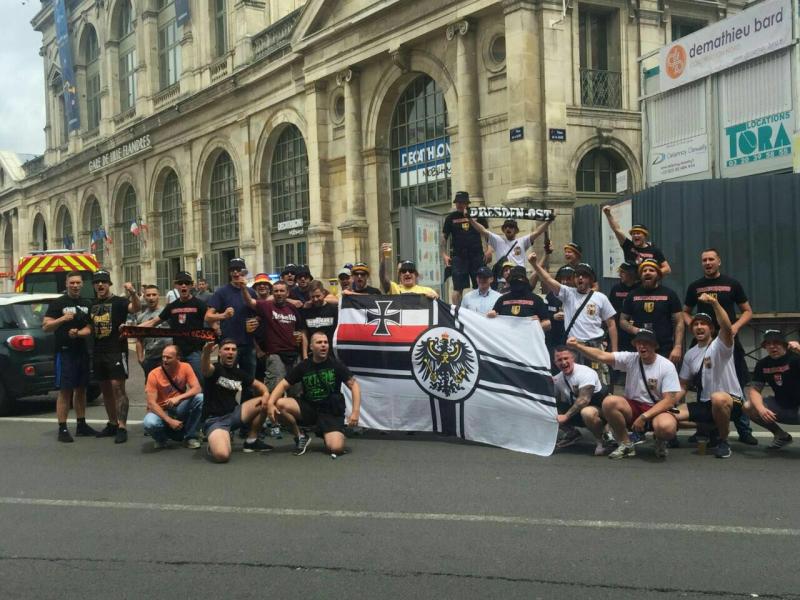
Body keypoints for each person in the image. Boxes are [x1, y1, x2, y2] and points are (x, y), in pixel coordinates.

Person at [568, 329, 681, 460]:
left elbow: (669, 401)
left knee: (666, 428)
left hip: (656, 409)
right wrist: (578, 346)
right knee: (609, 401)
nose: (642, 346)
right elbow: (601, 356)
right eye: (639, 343)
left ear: (655, 346)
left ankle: (660, 441)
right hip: (633, 406)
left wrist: (644, 417)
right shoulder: (630, 358)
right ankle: (625, 444)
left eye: (646, 343)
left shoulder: (667, 366)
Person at [683, 248, 756, 445]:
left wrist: (735, 327)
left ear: (719, 261)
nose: (707, 263)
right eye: (704, 260)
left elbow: (747, 311)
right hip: (704, 340)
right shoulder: (695, 286)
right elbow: (685, 312)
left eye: (711, 259)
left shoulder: (732, 284)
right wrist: (693, 325)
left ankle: (744, 430)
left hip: (727, 340)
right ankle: (704, 429)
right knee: (702, 383)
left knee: (736, 381)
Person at [267, 331, 362, 457]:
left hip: (330, 412)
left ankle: (327, 431)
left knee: (336, 448)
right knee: (279, 404)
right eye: (319, 342)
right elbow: (284, 384)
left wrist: (355, 412)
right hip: (309, 408)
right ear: (311, 347)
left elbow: (354, 385)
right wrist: (270, 403)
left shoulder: (335, 364)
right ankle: (301, 436)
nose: (323, 345)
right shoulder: (304, 366)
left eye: (325, 342)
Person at [531, 255, 617, 385]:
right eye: (577, 276)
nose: (580, 278)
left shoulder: (601, 298)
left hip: (595, 346)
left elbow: (611, 325)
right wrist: (535, 265)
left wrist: (614, 352)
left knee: (600, 382)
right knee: (574, 381)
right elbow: (548, 279)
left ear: (591, 279)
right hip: (574, 347)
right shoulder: (567, 293)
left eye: (584, 275)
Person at [675, 295, 743, 459]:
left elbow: (726, 327)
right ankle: (708, 426)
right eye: (696, 324)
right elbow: (683, 385)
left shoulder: (721, 345)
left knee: (718, 398)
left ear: (711, 329)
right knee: (669, 416)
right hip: (705, 403)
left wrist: (714, 303)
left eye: (703, 324)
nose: (699, 327)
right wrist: (667, 404)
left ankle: (723, 441)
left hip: (731, 401)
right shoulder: (690, 354)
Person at [42, 271, 96, 442]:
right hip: (65, 352)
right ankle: (62, 428)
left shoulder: (87, 303)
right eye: (72, 283)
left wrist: (78, 333)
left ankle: (81, 425)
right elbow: (46, 326)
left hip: (82, 352)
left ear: (82, 284)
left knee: (81, 389)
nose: (75, 285)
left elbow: (89, 328)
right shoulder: (59, 303)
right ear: (66, 284)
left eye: (78, 283)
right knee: (65, 391)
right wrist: (62, 319)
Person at [90, 269, 140, 444]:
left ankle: (122, 426)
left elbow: (136, 308)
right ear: (94, 286)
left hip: (116, 350)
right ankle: (112, 423)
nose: (100, 285)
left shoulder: (119, 302)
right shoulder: (92, 304)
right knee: (105, 389)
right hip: (98, 351)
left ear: (109, 284)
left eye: (103, 282)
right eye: (97, 282)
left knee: (117, 387)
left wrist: (132, 293)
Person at [201, 340, 273, 461]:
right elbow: (205, 368)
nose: (230, 352)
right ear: (220, 353)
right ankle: (216, 442)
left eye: (233, 350)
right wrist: (206, 352)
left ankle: (251, 441)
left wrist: (266, 395)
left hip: (234, 414)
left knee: (264, 401)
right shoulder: (215, 369)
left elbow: (261, 387)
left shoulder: (238, 373)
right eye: (227, 349)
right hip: (215, 421)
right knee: (222, 456)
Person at [240, 279, 307, 393]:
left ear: (287, 293)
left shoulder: (293, 308)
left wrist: (304, 355)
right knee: (275, 392)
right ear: (272, 293)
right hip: (275, 355)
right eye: (276, 291)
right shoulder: (267, 306)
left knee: (297, 392)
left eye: (282, 291)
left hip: (295, 355)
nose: (279, 293)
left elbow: (301, 330)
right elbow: (250, 302)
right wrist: (243, 288)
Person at [205, 258, 258, 399]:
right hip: (229, 345)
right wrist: (223, 315)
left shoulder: (251, 292)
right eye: (233, 270)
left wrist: (256, 322)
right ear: (229, 273)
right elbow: (208, 316)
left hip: (248, 344)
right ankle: (226, 412)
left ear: (244, 272)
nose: (236, 272)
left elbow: (259, 314)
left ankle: (246, 416)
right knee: (226, 382)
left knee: (249, 384)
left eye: (239, 269)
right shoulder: (221, 292)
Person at [141, 271, 207, 381]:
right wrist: (132, 328)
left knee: (201, 382)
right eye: (180, 283)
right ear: (176, 285)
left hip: (194, 352)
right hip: (177, 354)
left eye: (186, 283)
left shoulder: (199, 304)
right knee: (177, 385)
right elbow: (154, 322)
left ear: (191, 285)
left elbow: (211, 320)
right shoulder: (172, 306)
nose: (183, 285)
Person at [620, 259, 683, 365]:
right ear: (640, 275)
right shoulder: (632, 295)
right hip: (640, 348)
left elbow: (679, 321)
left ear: (658, 275)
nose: (647, 272)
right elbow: (622, 320)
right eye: (644, 271)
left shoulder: (670, 294)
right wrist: (636, 330)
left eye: (651, 270)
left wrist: (677, 346)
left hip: (665, 348)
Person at [744, 330, 800, 449]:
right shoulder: (763, 364)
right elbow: (754, 390)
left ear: (785, 344)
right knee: (749, 407)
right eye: (768, 344)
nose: (772, 346)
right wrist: (761, 409)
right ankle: (781, 436)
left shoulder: (795, 358)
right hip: (782, 406)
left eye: (776, 342)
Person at [142, 344, 204, 449]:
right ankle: (161, 439)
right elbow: (151, 403)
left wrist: (178, 398)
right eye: (163, 357)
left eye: (169, 357)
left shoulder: (185, 367)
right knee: (149, 423)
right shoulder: (154, 374)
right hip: (161, 410)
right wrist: (169, 421)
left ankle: (191, 437)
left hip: (179, 407)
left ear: (178, 358)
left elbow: (197, 388)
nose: (165, 360)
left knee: (201, 398)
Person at [552, 345, 610, 456]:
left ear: (573, 358)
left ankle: (601, 442)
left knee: (586, 412)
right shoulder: (557, 379)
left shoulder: (585, 373)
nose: (563, 362)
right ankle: (572, 433)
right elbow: (554, 400)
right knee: (549, 410)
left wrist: (566, 416)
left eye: (566, 358)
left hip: (600, 412)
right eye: (559, 360)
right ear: (555, 363)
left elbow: (584, 400)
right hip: (576, 412)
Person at [440, 191, 490, 304]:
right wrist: (444, 254)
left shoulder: (477, 214)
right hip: (459, 257)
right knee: (457, 287)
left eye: (461, 202)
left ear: (467, 203)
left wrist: (489, 250)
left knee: (480, 284)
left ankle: (480, 310)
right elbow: (444, 237)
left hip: (477, 255)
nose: (459, 204)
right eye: (457, 202)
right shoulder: (450, 218)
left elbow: (487, 234)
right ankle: (456, 314)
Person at [602, 206, 671, 274]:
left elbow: (667, 268)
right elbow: (616, 230)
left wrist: (653, 275)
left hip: (646, 284)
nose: (635, 235)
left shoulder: (655, 250)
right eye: (633, 234)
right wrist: (608, 215)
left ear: (645, 236)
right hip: (631, 283)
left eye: (638, 233)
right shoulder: (628, 246)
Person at [469, 216, 550, 269]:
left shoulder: (522, 241)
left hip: (518, 277)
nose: (508, 228)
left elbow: (537, 232)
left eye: (511, 226)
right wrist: (470, 219)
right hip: (502, 280)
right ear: (503, 230)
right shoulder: (498, 240)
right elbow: (482, 230)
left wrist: (548, 221)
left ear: (516, 230)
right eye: (506, 227)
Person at [487, 266, 551, 331]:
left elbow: (547, 324)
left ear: (525, 280)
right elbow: (493, 316)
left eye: (519, 278)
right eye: (513, 278)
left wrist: (538, 325)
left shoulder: (536, 299)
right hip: (506, 339)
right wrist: (491, 315)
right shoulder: (502, 299)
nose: (516, 280)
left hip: (528, 339)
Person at [135, 284, 171, 380]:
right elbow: (139, 340)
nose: (151, 298)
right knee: (152, 389)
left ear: (158, 295)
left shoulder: (167, 313)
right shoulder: (141, 317)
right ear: (144, 297)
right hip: (150, 358)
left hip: (167, 358)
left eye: (154, 295)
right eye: (148, 295)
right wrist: (140, 358)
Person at [609, 262, 639, 353]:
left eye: (623, 272)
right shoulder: (616, 288)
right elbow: (611, 310)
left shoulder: (639, 289)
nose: (619, 275)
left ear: (632, 274)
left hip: (635, 329)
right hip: (619, 330)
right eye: (620, 272)